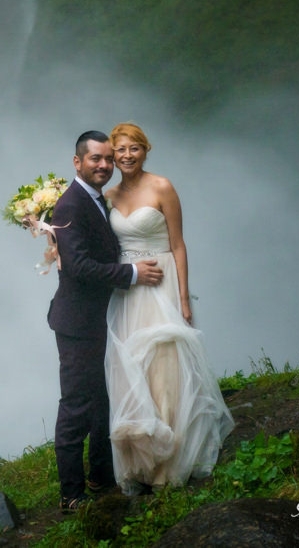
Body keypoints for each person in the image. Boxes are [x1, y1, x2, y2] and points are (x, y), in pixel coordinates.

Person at [103, 122, 234, 491]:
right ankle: (141, 460)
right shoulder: (109, 195)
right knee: (132, 368)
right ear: (113, 157)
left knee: (164, 364)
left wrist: (183, 298)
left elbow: (178, 244)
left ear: (145, 150)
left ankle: (170, 459)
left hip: (161, 282)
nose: (127, 156)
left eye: (134, 149)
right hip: (128, 290)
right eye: (121, 151)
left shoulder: (162, 187)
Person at [41, 131, 164, 511]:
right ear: (77, 162)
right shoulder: (71, 204)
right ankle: (71, 495)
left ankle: (99, 476)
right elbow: (77, 266)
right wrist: (130, 274)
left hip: (100, 317)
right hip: (78, 323)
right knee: (77, 405)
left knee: (102, 400)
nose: (105, 165)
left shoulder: (93, 200)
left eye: (109, 159)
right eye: (96, 159)